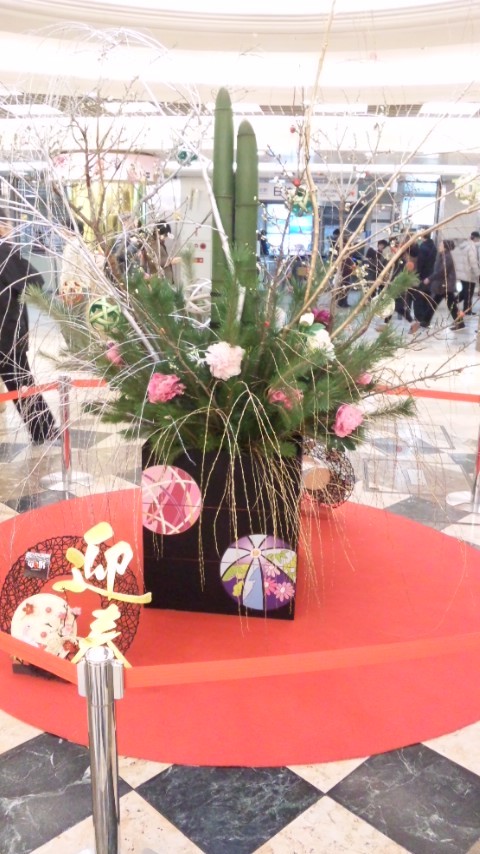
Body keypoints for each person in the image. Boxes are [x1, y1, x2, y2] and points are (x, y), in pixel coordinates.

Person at [0, 208, 59, 444]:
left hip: (6, 333)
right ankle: (43, 430)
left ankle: (43, 429)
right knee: (21, 382)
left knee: (20, 381)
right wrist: (11, 248)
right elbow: (34, 280)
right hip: (6, 334)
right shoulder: (4, 253)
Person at [410, 239, 464, 332]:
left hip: (445, 285)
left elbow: (441, 271)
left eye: (441, 245)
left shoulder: (447, 257)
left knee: (449, 305)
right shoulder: (443, 255)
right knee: (434, 303)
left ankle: (459, 323)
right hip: (441, 285)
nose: (439, 246)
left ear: (445, 247)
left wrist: (429, 278)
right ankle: (426, 321)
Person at [452, 236, 480, 315]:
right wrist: (478, 273)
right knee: (468, 293)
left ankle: (453, 303)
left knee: (464, 292)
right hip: (469, 274)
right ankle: (466, 310)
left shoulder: (463, 246)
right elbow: (473, 262)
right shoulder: (471, 247)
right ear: (476, 239)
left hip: (462, 274)